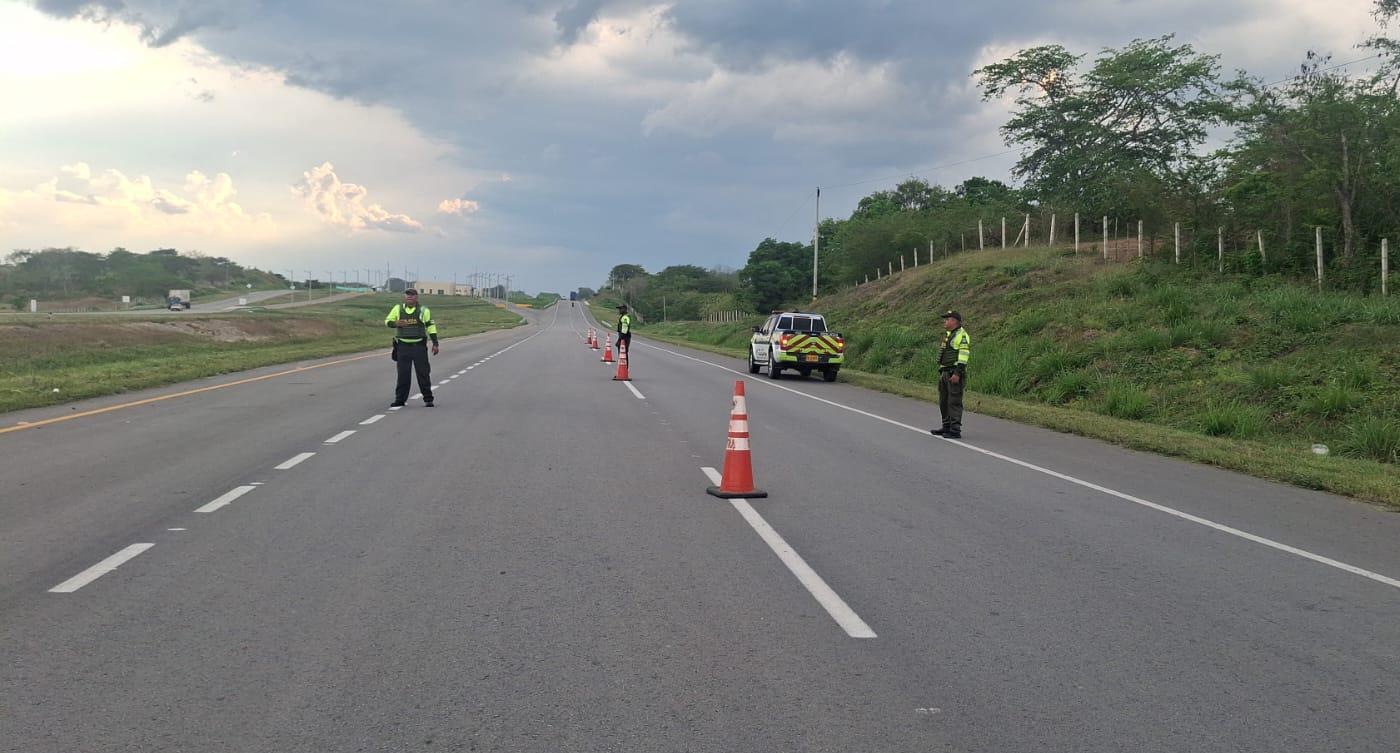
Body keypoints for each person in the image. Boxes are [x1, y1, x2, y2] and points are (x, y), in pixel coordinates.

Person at [385, 289, 439, 407]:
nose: (409, 297)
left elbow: (431, 327)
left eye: (412, 295)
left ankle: (428, 399)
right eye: (407, 295)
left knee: (423, 373)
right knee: (403, 374)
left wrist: (435, 343)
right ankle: (400, 400)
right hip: (403, 346)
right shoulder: (398, 309)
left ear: (416, 297)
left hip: (418, 346)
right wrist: (395, 324)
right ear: (405, 297)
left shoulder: (424, 310)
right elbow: (387, 321)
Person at [930, 310, 970, 439]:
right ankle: (946, 426)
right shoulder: (950, 334)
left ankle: (955, 430)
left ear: (954, 321)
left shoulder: (961, 335)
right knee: (944, 401)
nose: (945, 322)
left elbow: (963, 356)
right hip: (945, 372)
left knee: (954, 401)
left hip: (954, 373)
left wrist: (957, 373)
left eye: (947, 319)